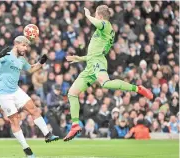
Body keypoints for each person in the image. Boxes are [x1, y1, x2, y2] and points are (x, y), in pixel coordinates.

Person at [64, 5, 153, 141]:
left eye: (95, 14)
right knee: (72, 93)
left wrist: (87, 15)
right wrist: (80, 58)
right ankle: (75, 124)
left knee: (105, 83)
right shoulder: (104, 30)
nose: (93, 16)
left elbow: (97, 24)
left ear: (99, 15)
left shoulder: (106, 25)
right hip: (91, 64)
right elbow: (95, 51)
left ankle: (138, 88)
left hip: (98, 61)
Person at [0, 36, 59, 158]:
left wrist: (41, 62)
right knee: (15, 120)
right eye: (24, 46)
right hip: (4, 94)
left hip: (15, 90)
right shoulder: (6, 55)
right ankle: (27, 150)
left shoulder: (21, 59)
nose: (25, 49)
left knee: (34, 109)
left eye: (27, 46)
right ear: (17, 44)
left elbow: (31, 69)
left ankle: (47, 134)